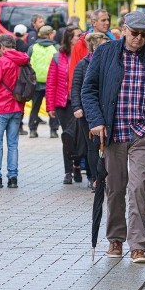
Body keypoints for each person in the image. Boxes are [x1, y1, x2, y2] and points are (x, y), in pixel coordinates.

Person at [81, 11, 145, 265]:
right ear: (123, 30)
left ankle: (138, 245)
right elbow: (88, 89)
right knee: (115, 188)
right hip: (113, 132)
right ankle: (115, 238)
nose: (139, 39)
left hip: (142, 132)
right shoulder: (106, 52)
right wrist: (96, 120)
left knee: (138, 187)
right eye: (135, 33)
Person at [0, 34, 29, 189]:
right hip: (17, 106)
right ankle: (13, 177)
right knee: (13, 144)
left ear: (3, 47)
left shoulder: (2, 62)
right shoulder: (24, 60)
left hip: (0, 106)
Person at [72, 32, 109, 188]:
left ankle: (107, 177)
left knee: (107, 146)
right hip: (88, 111)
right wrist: (77, 106)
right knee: (93, 145)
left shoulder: (110, 63)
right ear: (95, 46)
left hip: (107, 109)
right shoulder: (83, 64)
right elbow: (76, 87)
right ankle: (95, 178)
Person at [47, 25, 83, 185]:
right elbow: (51, 83)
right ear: (69, 38)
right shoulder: (58, 57)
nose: (80, 38)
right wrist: (50, 107)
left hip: (79, 103)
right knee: (67, 137)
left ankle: (77, 164)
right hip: (62, 104)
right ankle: (68, 171)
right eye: (77, 36)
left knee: (78, 137)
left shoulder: (84, 55)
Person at [69, 9, 113, 92]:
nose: (107, 23)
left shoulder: (115, 42)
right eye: (103, 20)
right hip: (87, 92)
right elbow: (74, 73)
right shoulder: (81, 43)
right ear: (94, 23)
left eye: (108, 20)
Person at [27, 25, 57, 138]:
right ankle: (53, 131)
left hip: (36, 82)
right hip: (51, 83)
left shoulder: (33, 47)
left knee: (35, 107)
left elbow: (27, 62)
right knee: (52, 107)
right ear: (49, 35)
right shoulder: (56, 47)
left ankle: (32, 130)